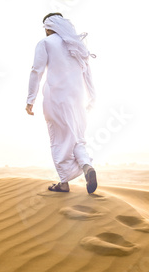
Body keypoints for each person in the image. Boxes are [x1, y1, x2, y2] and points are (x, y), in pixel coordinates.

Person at [26, 13, 97, 193]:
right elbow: (87, 75)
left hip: (55, 99)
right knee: (77, 139)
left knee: (58, 139)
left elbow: (36, 71)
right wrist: (92, 98)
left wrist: (30, 99)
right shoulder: (77, 45)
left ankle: (64, 182)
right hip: (77, 101)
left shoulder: (45, 43)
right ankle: (86, 166)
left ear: (49, 27)